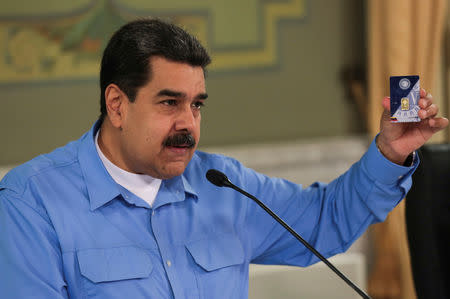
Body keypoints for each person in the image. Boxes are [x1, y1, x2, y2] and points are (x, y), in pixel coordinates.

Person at [0, 19, 448, 299]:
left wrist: (390, 152)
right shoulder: (29, 203)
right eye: (169, 103)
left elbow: (325, 219)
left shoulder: (223, 184)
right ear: (116, 104)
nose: (189, 124)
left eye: (196, 104)